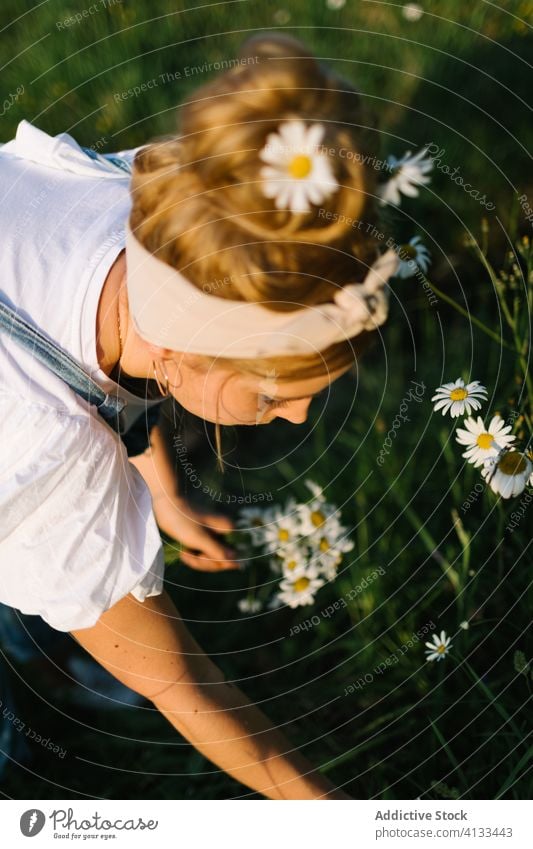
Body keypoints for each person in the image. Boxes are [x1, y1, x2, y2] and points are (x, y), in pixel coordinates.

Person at [0, 33, 399, 799]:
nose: (295, 415)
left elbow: (115, 359)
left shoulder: (157, 218)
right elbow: (187, 686)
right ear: (186, 355)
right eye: (270, 392)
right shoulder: (43, 439)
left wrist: (164, 494)